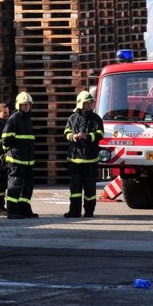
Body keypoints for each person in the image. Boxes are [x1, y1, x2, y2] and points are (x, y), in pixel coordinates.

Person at [63, 90, 105, 218]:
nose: (89, 105)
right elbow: (66, 133)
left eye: (90, 103)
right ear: (81, 104)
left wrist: (87, 137)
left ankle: (89, 212)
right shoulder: (72, 118)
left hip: (90, 161)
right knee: (75, 189)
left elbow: (100, 134)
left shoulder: (96, 119)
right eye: (87, 103)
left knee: (90, 189)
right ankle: (74, 212)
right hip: (75, 160)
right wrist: (73, 136)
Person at [2, 91, 38, 219]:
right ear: (18, 105)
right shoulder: (14, 118)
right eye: (24, 105)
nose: (26, 107)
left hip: (27, 160)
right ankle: (12, 211)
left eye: (28, 105)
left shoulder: (27, 119)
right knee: (15, 185)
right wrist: (8, 153)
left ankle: (24, 209)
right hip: (16, 160)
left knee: (28, 186)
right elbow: (6, 139)